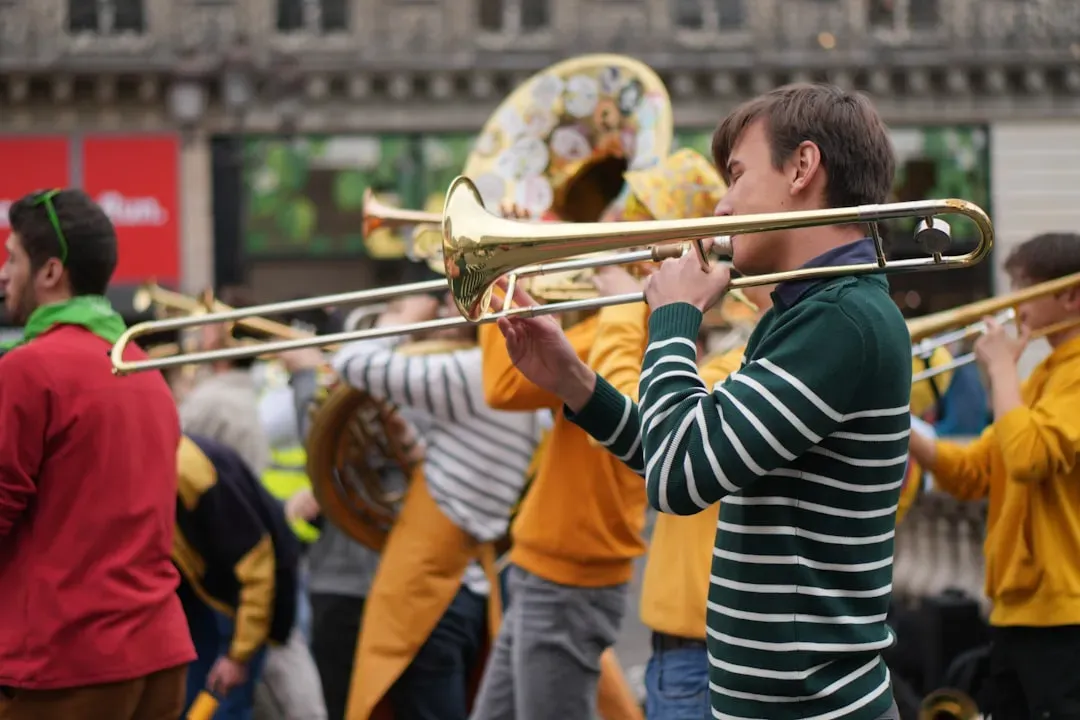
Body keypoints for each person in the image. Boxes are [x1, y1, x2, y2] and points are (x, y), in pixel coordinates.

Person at [492, 83, 912, 719]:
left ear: (802, 167)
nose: (722, 205)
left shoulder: (843, 316)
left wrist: (674, 319)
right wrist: (574, 382)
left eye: (737, 175)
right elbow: (688, 451)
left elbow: (678, 479)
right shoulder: (810, 312)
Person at [0, 188, 195, 718]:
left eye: (12, 258)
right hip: (157, 656)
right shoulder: (143, 368)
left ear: (50, 271)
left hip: (66, 661)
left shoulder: (27, 368)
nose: (4, 273)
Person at [317, 285, 546, 720]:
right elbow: (461, 463)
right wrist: (405, 441)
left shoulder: (471, 373)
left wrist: (400, 319)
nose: (442, 309)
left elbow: (352, 362)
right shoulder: (518, 380)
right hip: (467, 589)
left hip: (428, 597)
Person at [906, 231, 1080, 719]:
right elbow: (974, 472)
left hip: (1064, 612)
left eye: (1024, 286)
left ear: (1070, 295)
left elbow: (1026, 456)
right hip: (1020, 607)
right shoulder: (1046, 376)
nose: (1012, 302)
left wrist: (1002, 370)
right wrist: (896, 420)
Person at [173, 432, 301, 720]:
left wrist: (237, 655)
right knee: (188, 702)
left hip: (243, 600)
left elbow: (256, 569)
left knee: (222, 702)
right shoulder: (155, 463)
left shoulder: (192, 474)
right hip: (204, 594)